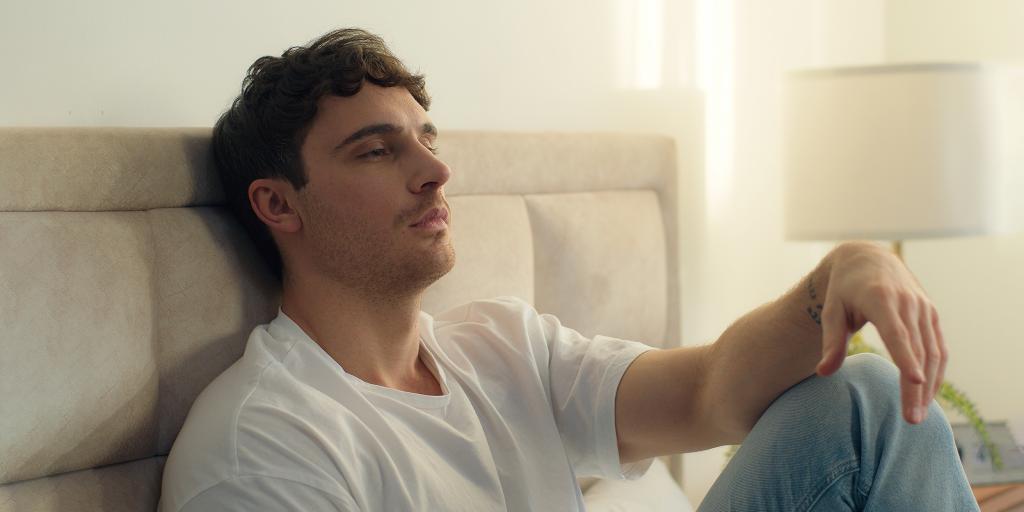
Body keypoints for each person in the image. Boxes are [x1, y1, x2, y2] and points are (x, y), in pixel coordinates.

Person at [159, 28, 979, 511]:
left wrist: (843, 271)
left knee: (866, 398)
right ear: (278, 204)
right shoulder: (265, 443)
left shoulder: (503, 348)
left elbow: (709, 393)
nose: (435, 171)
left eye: (426, 138)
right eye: (377, 151)